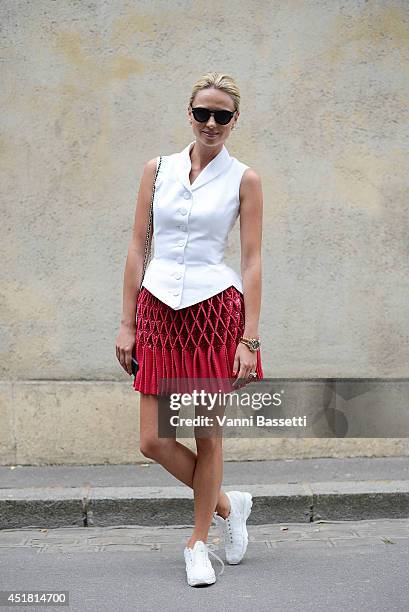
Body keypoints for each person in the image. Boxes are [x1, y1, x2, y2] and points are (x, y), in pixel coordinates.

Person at [115, 72, 264, 587]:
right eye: (203, 112)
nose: (211, 123)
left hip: (213, 314)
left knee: (209, 437)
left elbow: (251, 261)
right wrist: (127, 321)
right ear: (190, 113)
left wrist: (249, 337)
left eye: (222, 115)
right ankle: (228, 504)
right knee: (153, 441)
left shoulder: (244, 178)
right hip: (157, 312)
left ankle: (198, 543)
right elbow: (138, 246)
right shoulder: (157, 170)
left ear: (234, 120)